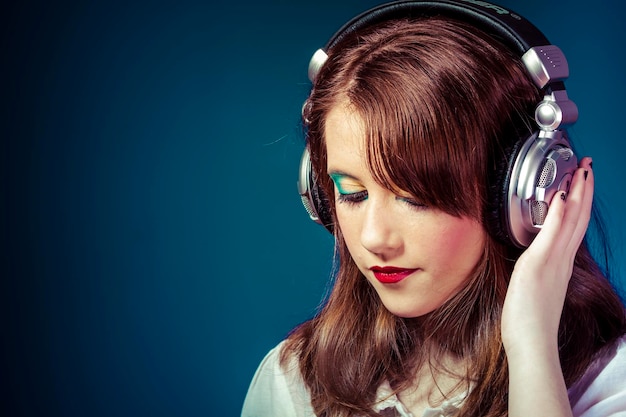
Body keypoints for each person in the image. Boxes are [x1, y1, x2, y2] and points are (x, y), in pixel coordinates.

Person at [242, 1, 626, 416]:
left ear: (523, 192)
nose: (374, 238)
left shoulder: (608, 384)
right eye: (351, 194)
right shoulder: (292, 383)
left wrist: (531, 347)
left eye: (413, 198)